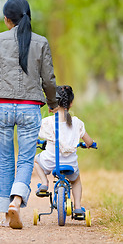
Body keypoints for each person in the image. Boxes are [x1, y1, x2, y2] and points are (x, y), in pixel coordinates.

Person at [0, 0, 58, 229]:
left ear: (7, 20)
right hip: (30, 107)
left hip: (2, 106)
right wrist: (53, 102)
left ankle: (7, 213)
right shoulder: (41, 42)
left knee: (5, 160)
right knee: (25, 159)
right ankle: (16, 201)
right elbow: (49, 79)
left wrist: (3, 83)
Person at [34, 85, 95, 215]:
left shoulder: (47, 122)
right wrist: (91, 144)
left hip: (51, 161)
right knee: (76, 181)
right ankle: (78, 207)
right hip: (70, 164)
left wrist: (36, 142)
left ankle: (44, 183)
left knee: (35, 160)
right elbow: (88, 141)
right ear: (71, 103)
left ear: (52, 104)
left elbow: (36, 135)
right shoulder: (77, 123)